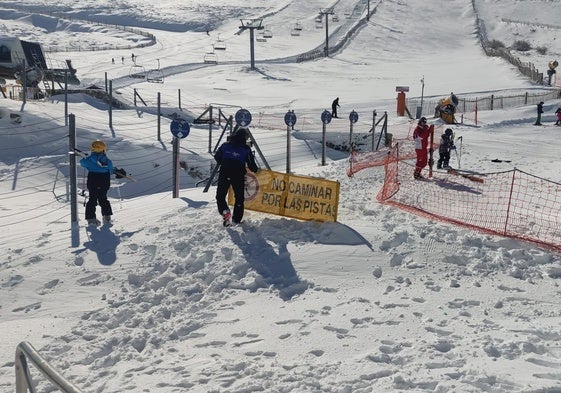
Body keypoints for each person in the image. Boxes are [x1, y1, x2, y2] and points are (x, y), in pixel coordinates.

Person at [214, 127, 259, 226]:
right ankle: (236, 220)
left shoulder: (225, 145)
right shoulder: (245, 149)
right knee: (239, 197)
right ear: (245, 138)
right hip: (238, 174)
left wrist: (224, 163)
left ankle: (225, 211)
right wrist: (256, 170)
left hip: (224, 172)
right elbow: (251, 165)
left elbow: (217, 156)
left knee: (220, 196)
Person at [80, 140, 115, 226]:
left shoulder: (88, 160)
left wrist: (86, 158)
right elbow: (110, 171)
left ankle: (91, 218)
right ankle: (107, 217)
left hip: (93, 181)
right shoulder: (108, 161)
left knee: (92, 199)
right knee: (103, 199)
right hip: (104, 181)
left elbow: (82, 163)